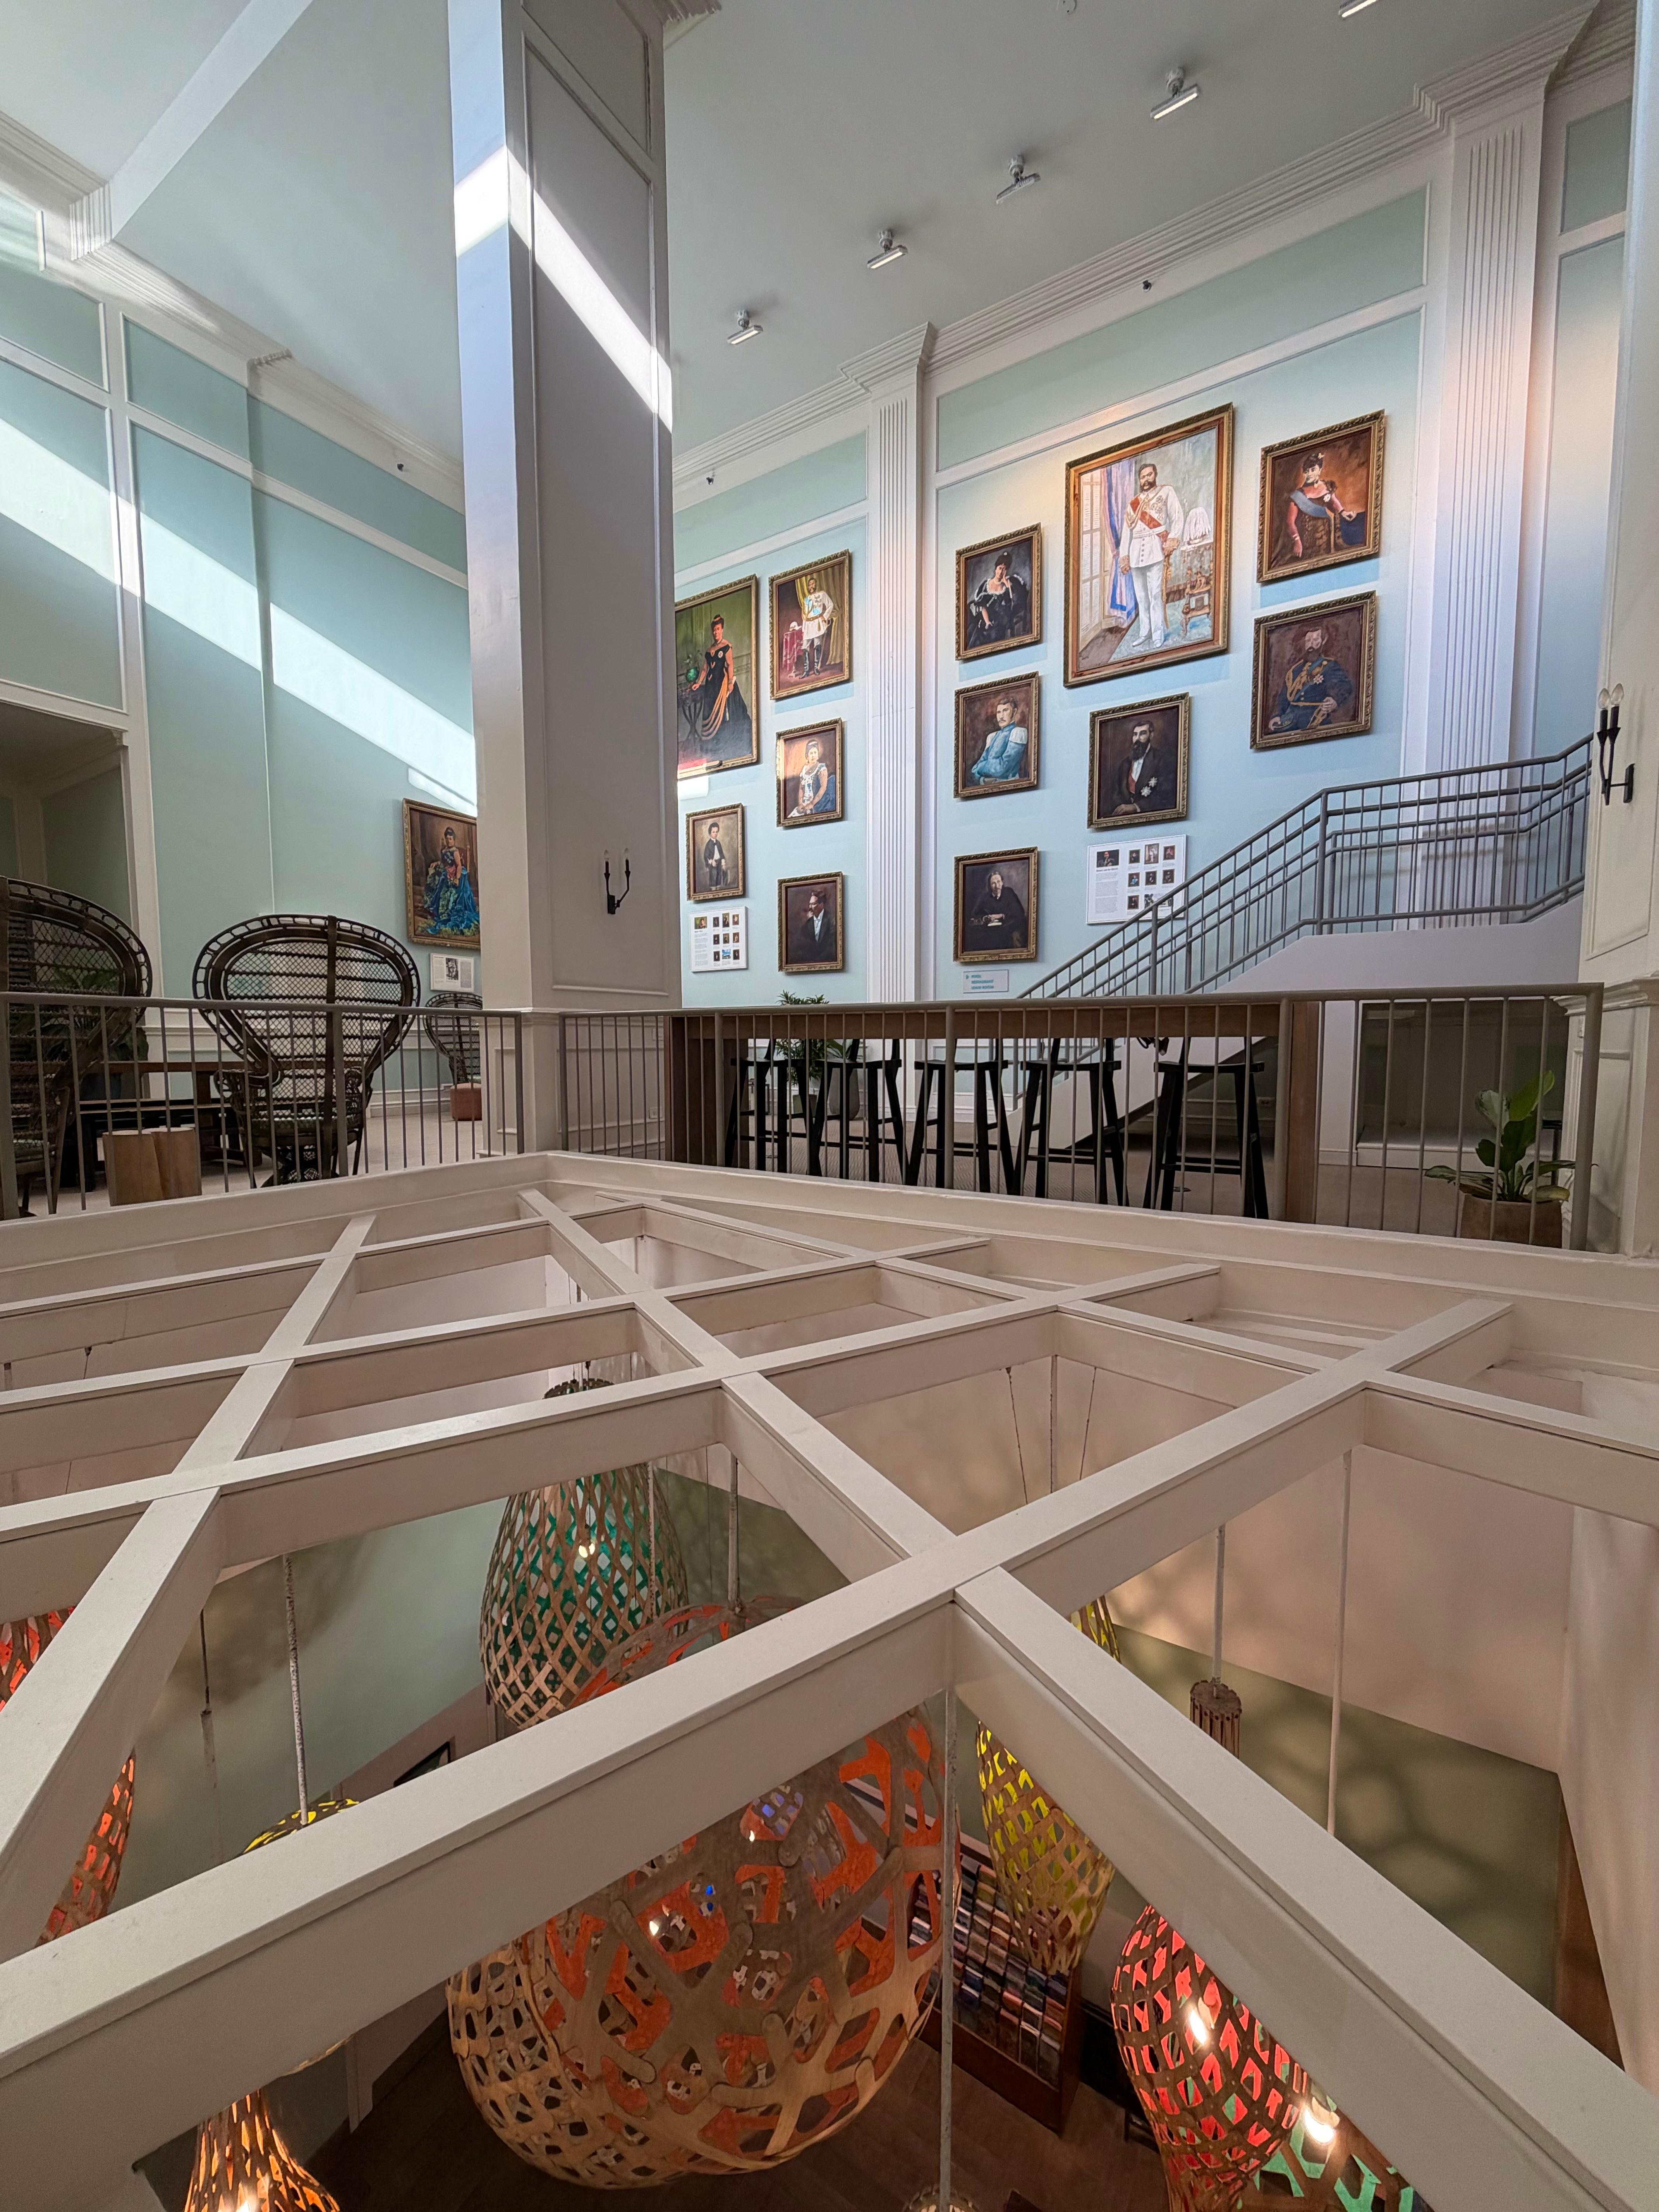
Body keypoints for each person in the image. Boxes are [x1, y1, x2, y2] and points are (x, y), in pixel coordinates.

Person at [1116, 459, 1184, 654]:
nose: (1146, 480)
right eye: (1143, 477)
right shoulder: (1133, 504)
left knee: (1155, 595)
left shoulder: (1166, 492)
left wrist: (1171, 541)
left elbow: (1177, 517)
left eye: (1149, 475)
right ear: (1139, 480)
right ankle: (1145, 632)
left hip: (1155, 550)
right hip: (1136, 553)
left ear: (1155, 475)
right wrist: (1125, 557)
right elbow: (1126, 533)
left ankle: (1157, 634)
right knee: (1141, 597)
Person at [1268, 625, 1356, 734]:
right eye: (1308, 641)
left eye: (1315, 640)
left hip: (1315, 718)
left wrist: (1335, 701)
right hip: (1290, 720)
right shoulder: (1295, 670)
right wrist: (1278, 715)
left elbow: (1345, 686)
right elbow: (1285, 695)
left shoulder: (1329, 666)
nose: (1311, 645)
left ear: (1323, 642)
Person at [682, 615, 752, 751]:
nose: (716, 632)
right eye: (714, 630)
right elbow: (705, 669)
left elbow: (730, 665)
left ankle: (723, 742)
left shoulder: (726, 647)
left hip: (722, 684)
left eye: (718, 629)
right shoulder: (709, 651)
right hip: (711, 686)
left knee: (723, 712)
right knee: (709, 711)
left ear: (722, 630)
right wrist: (699, 683)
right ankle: (712, 745)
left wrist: (731, 683)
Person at [1282, 450, 1357, 564]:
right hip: (1310, 541)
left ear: (1320, 470)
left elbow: (1333, 501)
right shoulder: (1298, 496)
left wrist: (1343, 512)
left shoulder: (1327, 486)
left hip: (1329, 536)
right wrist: (1297, 541)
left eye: (1313, 470)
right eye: (1306, 471)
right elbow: (1290, 522)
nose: (1310, 474)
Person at [422, 825, 480, 938]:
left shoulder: (455, 852)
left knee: (450, 889)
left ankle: (448, 910)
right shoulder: (445, 850)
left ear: (454, 840)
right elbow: (444, 862)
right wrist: (437, 863)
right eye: (447, 839)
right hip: (446, 871)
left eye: (451, 839)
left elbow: (459, 866)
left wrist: (456, 878)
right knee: (437, 878)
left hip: (455, 872)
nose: (449, 841)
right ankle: (436, 907)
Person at [966, 549, 1031, 649]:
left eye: (1004, 569)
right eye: (1000, 568)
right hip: (986, 617)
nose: (1001, 572)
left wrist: (1007, 585)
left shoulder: (1009, 584)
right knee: (976, 633)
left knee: (996, 632)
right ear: (996, 569)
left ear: (1007, 571)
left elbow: (1011, 605)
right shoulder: (987, 584)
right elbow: (983, 606)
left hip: (1001, 619)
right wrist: (987, 622)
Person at [1109, 717, 1174, 816]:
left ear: (1151, 735)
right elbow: (1116, 793)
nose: (1137, 738)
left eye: (1142, 734)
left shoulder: (1162, 759)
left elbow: (1166, 795)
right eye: (1135, 735)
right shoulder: (1125, 764)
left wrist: (1136, 807)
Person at [963, 865, 1028, 954]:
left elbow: (1020, 912)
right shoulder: (984, 898)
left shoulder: (1009, 893)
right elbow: (974, 915)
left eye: (999, 882)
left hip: (1008, 928)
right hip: (991, 932)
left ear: (1002, 883)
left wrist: (1001, 916)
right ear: (990, 886)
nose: (997, 886)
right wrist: (984, 918)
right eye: (993, 883)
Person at [969, 696, 1030, 785]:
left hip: (1010, 786)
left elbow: (1003, 767)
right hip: (988, 787)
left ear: (1014, 712)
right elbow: (974, 770)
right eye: (999, 712)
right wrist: (984, 780)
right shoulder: (992, 737)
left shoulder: (1018, 733)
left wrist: (982, 767)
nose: (1001, 716)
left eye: (1006, 711)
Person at [787, 737, 836, 819]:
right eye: (811, 753)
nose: (814, 755)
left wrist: (812, 804)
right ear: (807, 756)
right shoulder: (804, 770)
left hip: (817, 804)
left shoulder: (822, 768)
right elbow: (801, 789)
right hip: (804, 805)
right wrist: (800, 804)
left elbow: (823, 788)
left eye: (815, 753)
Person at [787, 884, 838, 965]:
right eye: (810, 904)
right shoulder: (808, 924)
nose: (810, 907)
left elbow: (832, 947)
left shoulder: (831, 921)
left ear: (822, 905)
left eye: (814, 904)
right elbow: (800, 946)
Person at [798, 573, 837, 677]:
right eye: (809, 585)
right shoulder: (806, 600)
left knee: (817, 645)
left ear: (816, 585)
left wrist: (825, 616)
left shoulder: (822, 595)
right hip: (808, 624)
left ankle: (816, 668)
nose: (811, 586)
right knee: (805, 647)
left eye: (813, 584)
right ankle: (806, 671)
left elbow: (831, 605)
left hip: (817, 623)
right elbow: (805, 615)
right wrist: (804, 629)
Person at [701, 821, 729, 892]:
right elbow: (706, 856)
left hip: (719, 862)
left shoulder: (718, 843)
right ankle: (713, 891)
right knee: (713, 877)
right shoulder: (708, 845)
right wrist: (711, 862)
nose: (716, 834)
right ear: (710, 834)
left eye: (717, 832)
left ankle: (718, 889)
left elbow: (722, 854)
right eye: (714, 832)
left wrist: (723, 863)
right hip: (713, 864)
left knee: (719, 877)